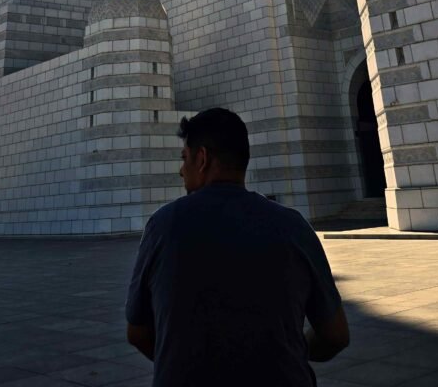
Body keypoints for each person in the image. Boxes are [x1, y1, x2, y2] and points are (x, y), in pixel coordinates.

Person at [126, 107, 349, 386]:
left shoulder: (163, 226)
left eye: (185, 158)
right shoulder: (293, 227)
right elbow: (336, 335)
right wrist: (290, 354)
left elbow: (137, 333)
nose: (181, 171)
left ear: (202, 159)